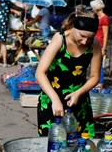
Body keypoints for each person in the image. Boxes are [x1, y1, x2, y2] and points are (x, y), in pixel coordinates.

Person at [35, 7, 101, 137]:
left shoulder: (94, 44)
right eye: (82, 36)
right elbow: (40, 73)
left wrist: (78, 93)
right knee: (53, 147)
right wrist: (55, 99)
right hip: (52, 100)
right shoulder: (60, 39)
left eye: (89, 38)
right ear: (74, 27)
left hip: (79, 101)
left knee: (82, 147)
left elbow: (94, 76)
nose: (85, 42)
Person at [0, 0, 22, 67]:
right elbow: (16, 7)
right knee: (3, 43)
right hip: (2, 24)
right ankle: (5, 63)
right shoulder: (7, 2)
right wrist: (23, 9)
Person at [90, 0, 110, 89]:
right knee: (93, 62)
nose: (92, 9)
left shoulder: (105, 18)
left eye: (93, 7)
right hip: (93, 43)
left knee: (99, 64)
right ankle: (93, 80)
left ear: (96, 8)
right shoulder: (96, 17)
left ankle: (100, 82)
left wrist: (104, 48)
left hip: (100, 44)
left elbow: (106, 34)